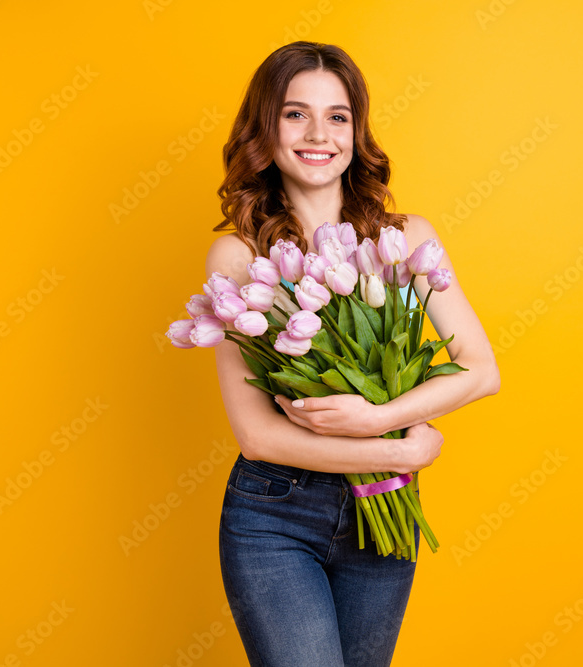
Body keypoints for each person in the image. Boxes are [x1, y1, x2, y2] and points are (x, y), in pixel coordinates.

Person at [205, 41, 500, 666]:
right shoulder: (239, 259)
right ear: (266, 129)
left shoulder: (404, 240)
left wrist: (375, 422)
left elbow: (481, 368)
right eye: (294, 114)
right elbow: (257, 435)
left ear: (356, 130)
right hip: (274, 515)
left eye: (338, 116)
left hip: (384, 515)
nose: (319, 134)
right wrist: (400, 448)